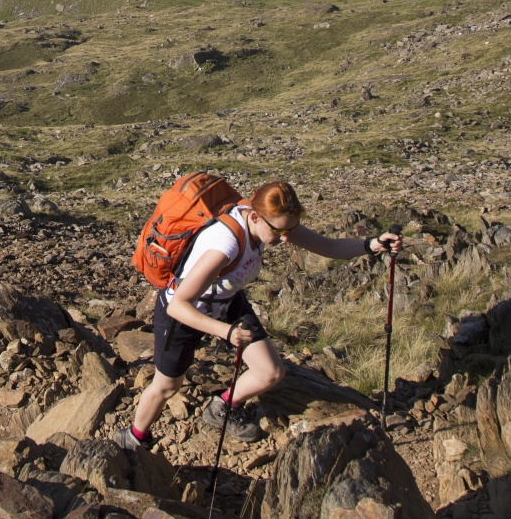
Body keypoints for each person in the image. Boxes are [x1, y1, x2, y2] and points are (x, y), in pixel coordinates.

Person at [118, 180, 400, 448]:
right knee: (168, 386)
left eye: (289, 230)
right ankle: (134, 437)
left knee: (270, 372)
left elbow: (328, 246)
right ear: (254, 217)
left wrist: (373, 244)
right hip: (184, 312)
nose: (285, 238)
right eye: (278, 232)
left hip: (228, 302)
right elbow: (180, 305)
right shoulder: (225, 244)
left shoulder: (274, 222)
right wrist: (226, 332)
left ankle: (222, 407)